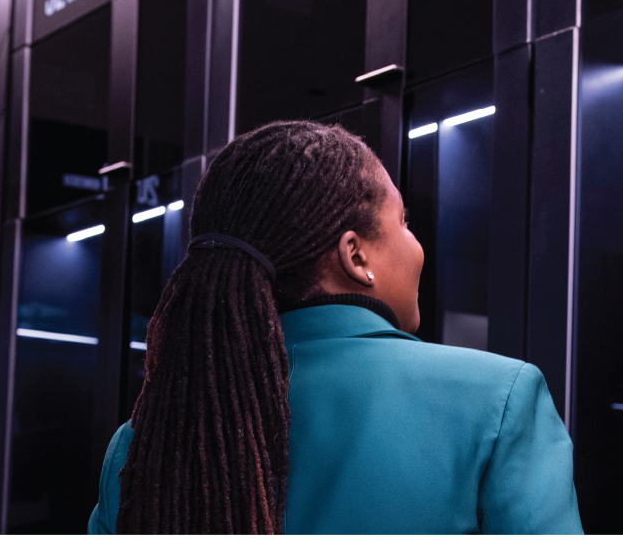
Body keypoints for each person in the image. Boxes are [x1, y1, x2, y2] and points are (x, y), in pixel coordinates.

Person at [88, 120, 581, 534]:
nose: (417, 244)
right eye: (404, 221)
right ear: (355, 254)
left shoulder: (145, 441)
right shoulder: (500, 401)